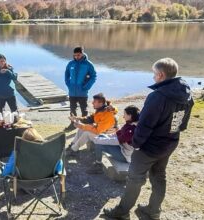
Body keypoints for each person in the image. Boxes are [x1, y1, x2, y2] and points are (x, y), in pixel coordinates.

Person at [103, 58, 194, 220]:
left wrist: (136, 144)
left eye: (154, 74)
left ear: (160, 75)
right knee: (159, 175)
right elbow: (183, 124)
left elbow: (144, 126)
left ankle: (122, 212)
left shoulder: (157, 97)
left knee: (135, 179)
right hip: (169, 143)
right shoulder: (187, 94)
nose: (153, 78)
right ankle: (153, 210)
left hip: (149, 147)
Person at [2, 128, 66, 193]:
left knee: (13, 172)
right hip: (45, 180)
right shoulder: (49, 151)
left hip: (23, 181)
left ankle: (21, 188)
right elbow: (60, 167)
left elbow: (6, 172)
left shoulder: (17, 152)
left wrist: (3, 172)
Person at [88, 105, 140, 174]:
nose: (123, 116)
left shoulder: (132, 129)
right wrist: (103, 137)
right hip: (121, 148)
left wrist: (99, 140)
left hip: (125, 156)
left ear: (130, 115)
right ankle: (98, 157)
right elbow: (116, 134)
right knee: (101, 136)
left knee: (99, 144)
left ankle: (98, 166)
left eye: (124, 114)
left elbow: (117, 141)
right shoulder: (129, 124)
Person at [64, 46, 97, 131]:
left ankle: (84, 125)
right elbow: (66, 74)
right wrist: (68, 84)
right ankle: (73, 124)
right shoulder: (71, 64)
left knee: (84, 109)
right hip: (72, 92)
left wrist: (86, 87)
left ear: (82, 53)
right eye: (75, 55)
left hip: (82, 92)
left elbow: (93, 76)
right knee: (72, 109)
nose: (76, 57)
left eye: (78, 55)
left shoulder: (88, 64)